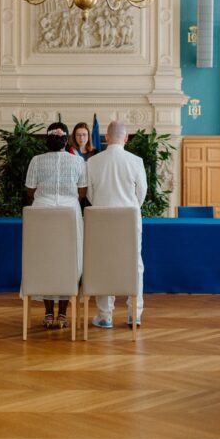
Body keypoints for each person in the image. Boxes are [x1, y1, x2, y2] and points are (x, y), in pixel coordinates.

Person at [25, 122, 88, 329]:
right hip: (70, 215)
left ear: (48, 139)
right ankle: (62, 313)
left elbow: (30, 191)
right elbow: (82, 193)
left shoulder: (36, 161)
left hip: (42, 217)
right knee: (69, 262)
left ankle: (48, 312)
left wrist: (47, 200)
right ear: (66, 140)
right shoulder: (78, 162)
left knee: (44, 262)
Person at [86, 120, 148, 329]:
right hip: (129, 220)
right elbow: (141, 194)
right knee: (135, 265)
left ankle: (105, 315)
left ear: (106, 137)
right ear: (126, 138)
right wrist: (130, 208)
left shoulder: (92, 162)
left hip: (101, 220)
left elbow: (90, 195)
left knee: (104, 265)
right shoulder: (136, 161)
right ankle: (134, 314)